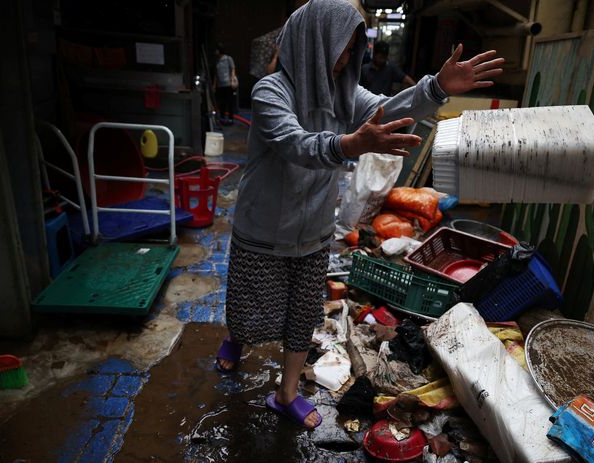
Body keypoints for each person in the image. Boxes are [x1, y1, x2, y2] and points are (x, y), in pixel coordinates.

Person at [215, 0, 503, 430]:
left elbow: (391, 107)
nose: (347, 59)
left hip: (312, 231)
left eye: (353, 51)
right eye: (341, 49)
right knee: (251, 310)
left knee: (302, 315)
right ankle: (237, 339)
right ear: (315, 43)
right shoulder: (270, 91)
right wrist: (349, 145)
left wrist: (436, 87)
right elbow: (297, 144)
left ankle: (286, 393)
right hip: (263, 229)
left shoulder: (342, 94)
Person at [213, 43, 236, 125]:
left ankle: (230, 118)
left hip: (228, 84)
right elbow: (216, 74)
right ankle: (222, 117)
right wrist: (214, 85)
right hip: (220, 85)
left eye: (216, 50)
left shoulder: (228, 59)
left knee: (229, 102)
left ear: (219, 50)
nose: (215, 52)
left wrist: (232, 80)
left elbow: (233, 69)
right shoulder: (217, 61)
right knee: (221, 102)